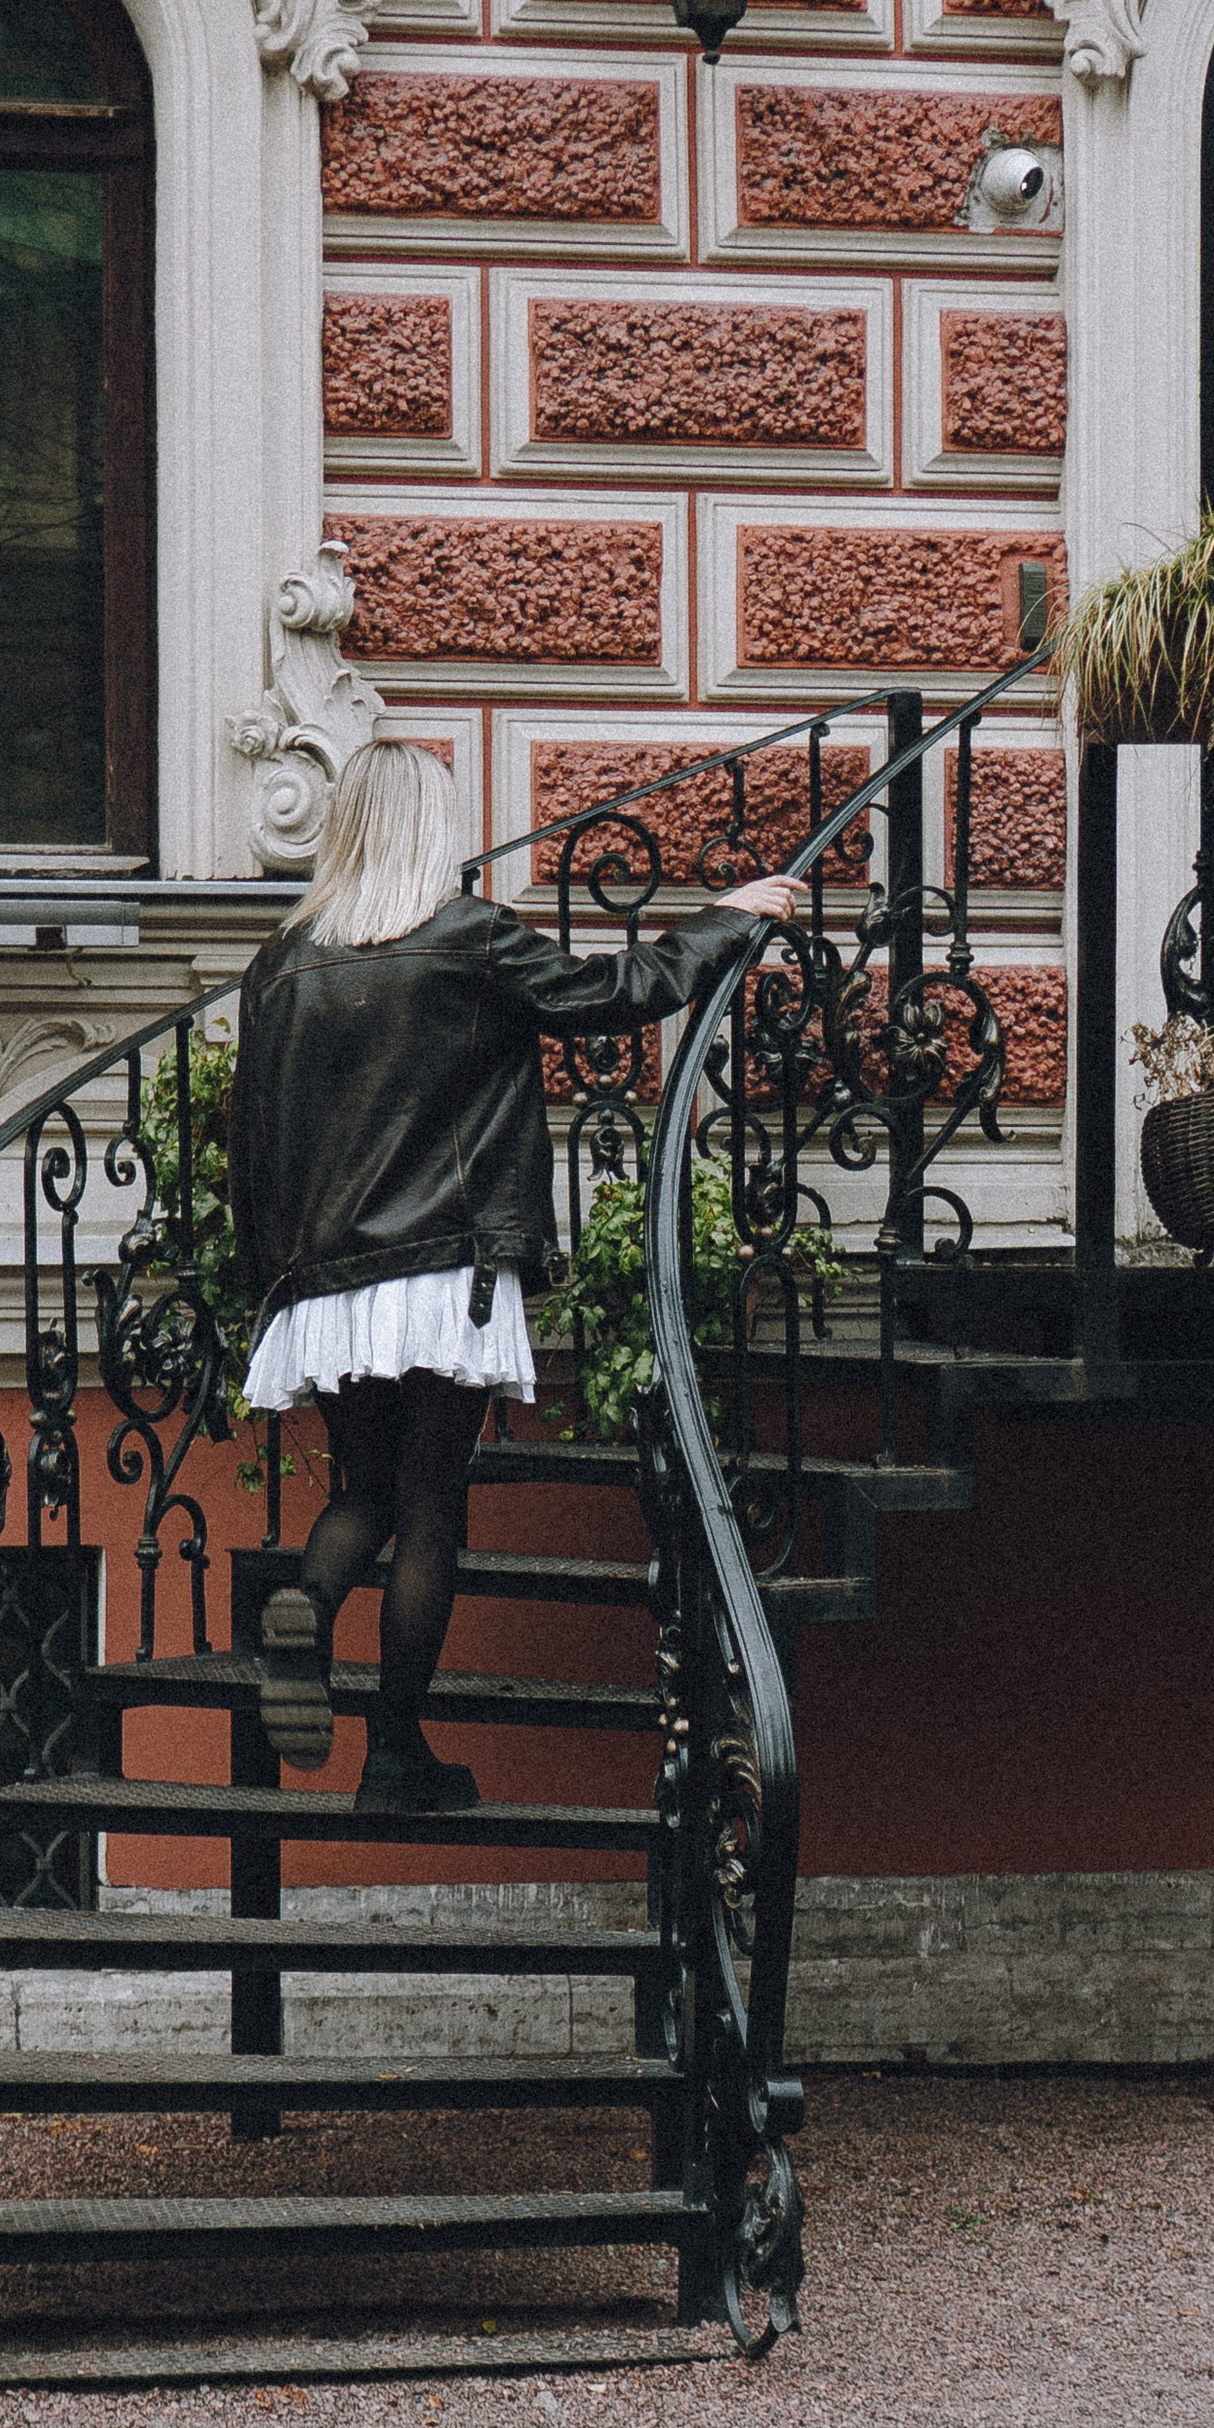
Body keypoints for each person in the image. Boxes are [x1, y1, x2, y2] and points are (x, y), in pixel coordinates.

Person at [228, 739, 805, 1813]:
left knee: (363, 1493)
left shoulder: (281, 966)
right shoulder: (466, 940)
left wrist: (272, 1284)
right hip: (443, 1265)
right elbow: (615, 993)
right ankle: (394, 1756)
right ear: (425, 830)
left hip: (323, 1280)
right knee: (432, 1508)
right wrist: (729, 916)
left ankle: (304, 1604)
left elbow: (247, 1140)